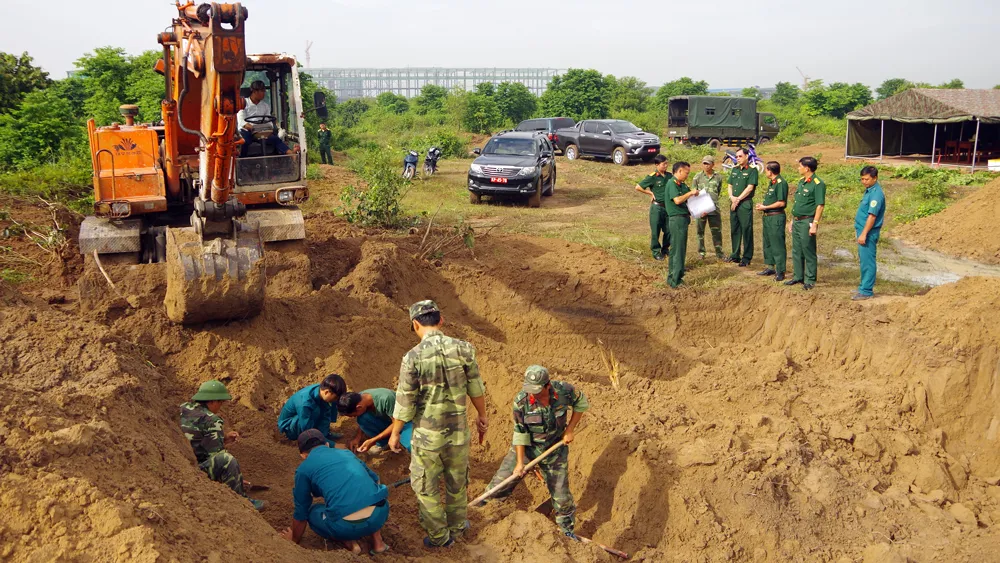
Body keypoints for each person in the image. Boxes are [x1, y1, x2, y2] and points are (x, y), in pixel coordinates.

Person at [389, 300, 489, 548]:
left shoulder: (412, 357)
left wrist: (395, 433)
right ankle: (457, 527)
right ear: (441, 320)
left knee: (426, 487)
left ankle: (440, 537)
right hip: (458, 434)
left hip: (427, 438)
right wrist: (482, 415)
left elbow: (405, 402)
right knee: (457, 483)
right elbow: (476, 387)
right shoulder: (464, 349)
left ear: (415, 324)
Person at [479, 366, 588, 540]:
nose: (532, 394)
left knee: (562, 497)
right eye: (529, 389)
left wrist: (570, 429)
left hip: (554, 450)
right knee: (500, 485)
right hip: (527, 448)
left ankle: (567, 532)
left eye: (536, 390)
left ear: (547, 385)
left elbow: (581, 402)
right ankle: (479, 517)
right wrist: (519, 463)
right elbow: (520, 433)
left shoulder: (564, 391)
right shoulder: (521, 401)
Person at [280, 429, 390, 556]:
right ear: (327, 445)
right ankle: (378, 543)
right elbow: (375, 480)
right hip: (380, 514)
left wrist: (293, 540)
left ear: (303, 455)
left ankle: (349, 542)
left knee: (313, 512)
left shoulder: (303, 470)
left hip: (345, 527)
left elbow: (301, 511)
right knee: (371, 493)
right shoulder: (347, 453)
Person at [179, 380, 264, 510]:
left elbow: (195, 438)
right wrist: (234, 478)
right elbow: (217, 456)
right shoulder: (213, 420)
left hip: (180, 463)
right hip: (196, 471)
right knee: (227, 460)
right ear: (213, 401)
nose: (220, 406)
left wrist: (222, 439)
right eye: (220, 402)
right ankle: (243, 502)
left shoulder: (183, 408)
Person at [785, 156, 826, 290]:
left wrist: (815, 224)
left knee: (808, 250)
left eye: (800, 166)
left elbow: (820, 206)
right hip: (797, 220)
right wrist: (792, 220)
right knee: (797, 250)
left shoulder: (818, 184)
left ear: (807, 168)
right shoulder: (802, 182)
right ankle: (798, 276)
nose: (798, 168)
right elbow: (798, 204)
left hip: (807, 221)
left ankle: (810, 279)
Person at [337, 389, 413, 454]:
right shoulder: (359, 398)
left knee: (412, 445)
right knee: (362, 418)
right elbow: (362, 419)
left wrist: (373, 440)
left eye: (353, 415)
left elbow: (397, 423)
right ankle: (384, 443)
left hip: (404, 421)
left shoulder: (386, 399)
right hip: (388, 419)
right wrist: (358, 438)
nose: (354, 417)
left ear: (359, 407)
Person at [277, 374, 346, 443]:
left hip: (306, 418)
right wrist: (331, 444)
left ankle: (324, 434)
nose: (335, 400)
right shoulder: (305, 403)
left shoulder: (321, 390)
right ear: (326, 392)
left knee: (327, 406)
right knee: (316, 410)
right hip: (290, 427)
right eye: (335, 397)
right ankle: (314, 440)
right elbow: (307, 430)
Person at [237, 80, 296, 158]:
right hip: (247, 131)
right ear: (254, 91)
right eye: (262, 91)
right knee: (244, 141)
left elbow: (268, 121)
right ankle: (242, 161)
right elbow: (241, 121)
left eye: (264, 91)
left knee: (275, 139)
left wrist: (267, 129)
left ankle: (291, 154)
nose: (264, 93)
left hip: (262, 131)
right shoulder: (243, 103)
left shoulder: (265, 106)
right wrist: (252, 128)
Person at [853, 166, 886, 301]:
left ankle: (866, 291)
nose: (864, 182)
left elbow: (872, 216)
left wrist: (864, 234)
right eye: (862, 179)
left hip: (868, 233)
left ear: (875, 178)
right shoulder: (869, 190)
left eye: (866, 179)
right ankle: (863, 287)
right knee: (864, 260)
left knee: (868, 262)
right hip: (863, 230)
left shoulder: (876, 194)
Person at [666, 162, 698, 288]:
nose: (687, 175)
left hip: (683, 219)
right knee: (678, 250)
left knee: (676, 249)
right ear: (679, 171)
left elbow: (688, 201)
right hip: (677, 219)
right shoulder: (672, 183)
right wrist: (690, 193)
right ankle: (676, 280)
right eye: (686, 173)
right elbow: (678, 200)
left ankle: (672, 277)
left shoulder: (682, 185)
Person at [755, 161, 789, 281]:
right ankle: (770, 266)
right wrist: (763, 206)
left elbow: (781, 202)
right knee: (768, 242)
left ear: (770, 171)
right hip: (768, 216)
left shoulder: (781, 183)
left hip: (776, 217)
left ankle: (780, 270)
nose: (765, 172)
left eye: (766, 170)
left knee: (777, 244)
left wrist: (765, 207)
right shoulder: (772, 183)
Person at [634, 154, 672, 261]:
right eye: (664, 164)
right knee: (656, 230)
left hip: (668, 207)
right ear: (657, 165)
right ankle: (656, 251)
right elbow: (638, 187)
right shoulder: (652, 177)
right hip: (657, 208)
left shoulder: (670, 176)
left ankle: (665, 249)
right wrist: (650, 193)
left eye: (667, 164)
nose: (666, 166)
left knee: (669, 230)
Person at [726, 148, 758, 267]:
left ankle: (747, 257)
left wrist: (738, 199)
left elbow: (750, 188)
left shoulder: (752, 170)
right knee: (734, 229)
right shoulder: (734, 169)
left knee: (746, 229)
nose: (738, 158)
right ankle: (735, 254)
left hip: (744, 203)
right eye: (737, 156)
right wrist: (732, 197)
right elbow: (730, 185)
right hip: (734, 202)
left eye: (740, 156)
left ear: (746, 156)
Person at [691, 155, 725, 260]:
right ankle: (701, 253)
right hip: (701, 209)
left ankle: (719, 253)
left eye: (708, 164)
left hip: (714, 209)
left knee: (716, 231)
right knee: (700, 232)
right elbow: (693, 193)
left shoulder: (718, 177)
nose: (706, 166)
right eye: (704, 163)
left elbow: (718, 191)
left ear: (713, 165)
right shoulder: (697, 177)